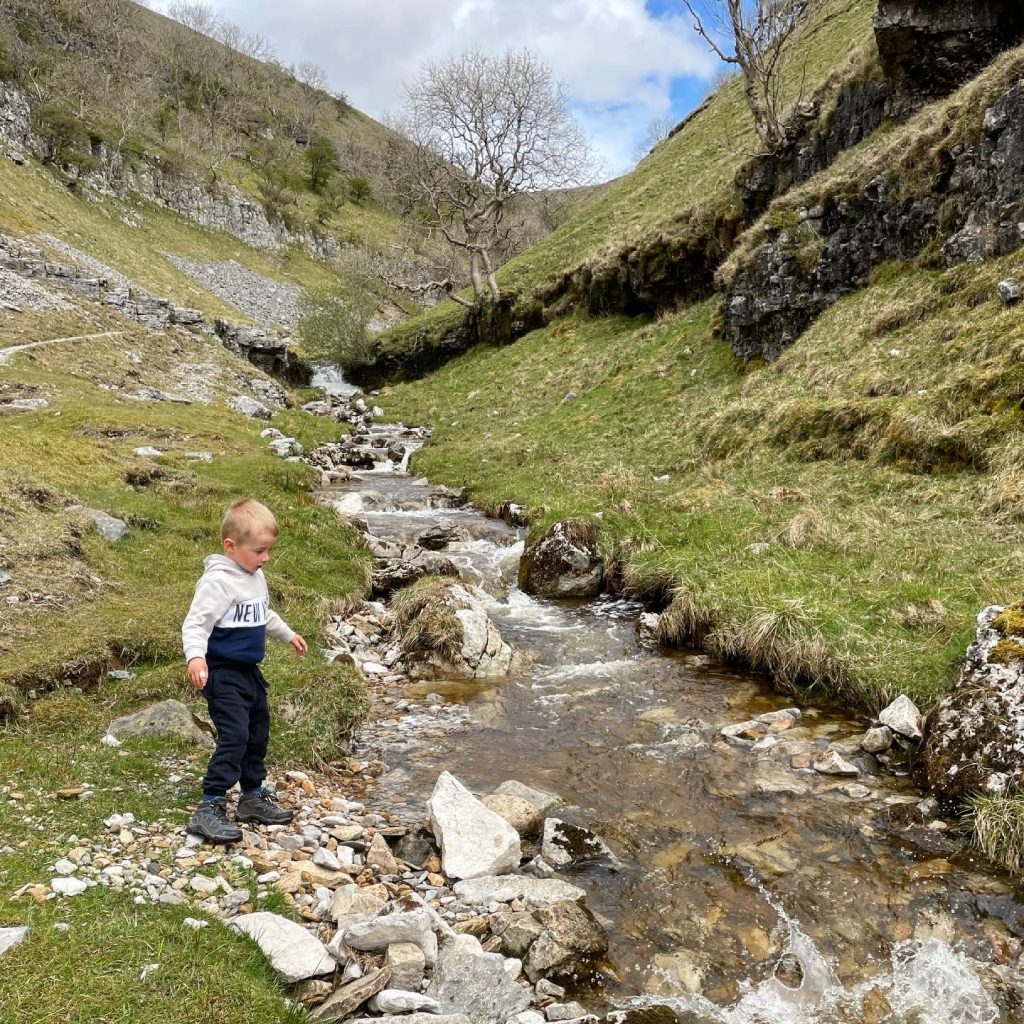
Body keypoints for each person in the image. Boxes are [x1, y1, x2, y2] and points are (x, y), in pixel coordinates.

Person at [182, 498, 308, 843]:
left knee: (257, 733)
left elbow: (263, 614)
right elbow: (196, 624)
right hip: (222, 674)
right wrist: (196, 657)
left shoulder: (255, 576)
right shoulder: (218, 583)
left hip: (251, 673)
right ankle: (210, 805)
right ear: (231, 546)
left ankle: (252, 796)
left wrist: (288, 634)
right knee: (235, 736)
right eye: (259, 551)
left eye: (268, 550)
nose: (265, 557)